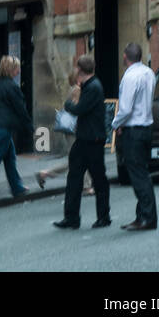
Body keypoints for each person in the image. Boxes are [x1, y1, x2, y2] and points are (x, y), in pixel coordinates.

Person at [53, 54, 110, 230]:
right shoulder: (90, 85)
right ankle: (71, 217)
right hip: (85, 138)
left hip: (92, 140)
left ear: (79, 69)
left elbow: (79, 109)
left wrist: (68, 105)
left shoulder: (93, 87)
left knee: (98, 179)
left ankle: (103, 217)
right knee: (74, 177)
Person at [112, 40, 157, 231]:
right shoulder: (149, 73)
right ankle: (143, 216)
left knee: (138, 176)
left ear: (125, 57)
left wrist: (115, 124)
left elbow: (126, 108)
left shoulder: (130, 77)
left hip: (134, 131)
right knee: (143, 173)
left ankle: (147, 218)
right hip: (147, 127)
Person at [36, 69, 94, 194]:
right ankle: (86, 186)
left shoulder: (72, 90)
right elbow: (79, 110)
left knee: (78, 159)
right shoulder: (77, 90)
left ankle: (45, 174)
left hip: (72, 130)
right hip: (75, 130)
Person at [0, 55, 34, 199]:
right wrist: (30, 127)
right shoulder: (12, 87)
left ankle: (16, 187)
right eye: (17, 68)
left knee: (10, 156)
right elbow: (21, 109)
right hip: (3, 127)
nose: (19, 71)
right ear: (12, 70)